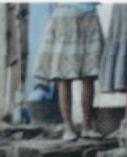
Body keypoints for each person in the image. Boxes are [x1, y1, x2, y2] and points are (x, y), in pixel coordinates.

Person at [33, 3, 104, 141]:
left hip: (75, 13)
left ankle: (73, 128)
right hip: (76, 13)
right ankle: (82, 127)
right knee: (81, 76)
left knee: (76, 76)